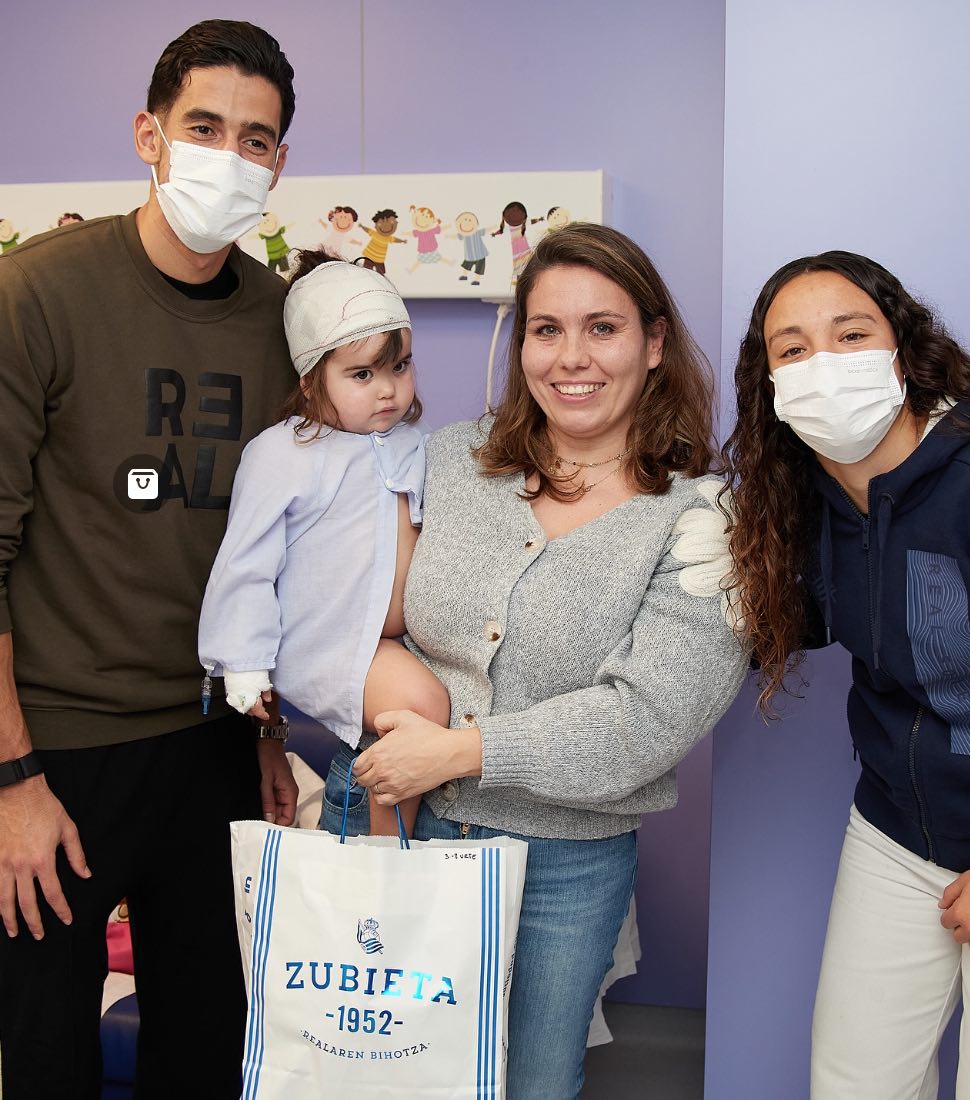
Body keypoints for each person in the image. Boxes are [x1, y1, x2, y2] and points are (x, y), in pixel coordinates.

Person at [339, 223, 748, 1098]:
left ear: (655, 342)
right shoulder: (448, 459)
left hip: (559, 866)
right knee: (371, 1078)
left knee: (529, 1085)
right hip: (391, 818)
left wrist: (456, 750)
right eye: (547, 328)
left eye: (603, 327)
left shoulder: (700, 524)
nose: (573, 357)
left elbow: (642, 725)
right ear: (521, 340)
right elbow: (362, 614)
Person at [0, 20, 300, 1099]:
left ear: (278, 163)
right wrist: (11, 781)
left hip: (213, 740)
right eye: (205, 126)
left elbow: (278, 547)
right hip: (58, 753)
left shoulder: (282, 321)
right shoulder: (37, 294)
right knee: (45, 1054)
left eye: (256, 138)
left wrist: (265, 732)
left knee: (205, 1046)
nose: (230, 155)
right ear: (149, 133)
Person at [719, 250, 970, 1100]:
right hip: (895, 833)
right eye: (794, 349)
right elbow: (814, 618)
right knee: (855, 1084)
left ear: (901, 351)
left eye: (851, 335)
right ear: (768, 379)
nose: (826, 365)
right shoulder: (800, 499)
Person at [199, 250, 449, 838]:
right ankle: (387, 848)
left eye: (401, 367)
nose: (388, 391)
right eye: (362, 375)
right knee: (418, 705)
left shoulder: (415, 438)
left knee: (452, 701)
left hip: (394, 637)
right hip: (328, 637)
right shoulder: (283, 453)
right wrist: (245, 663)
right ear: (311, 380)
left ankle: (397, 840)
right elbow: (247, 563)